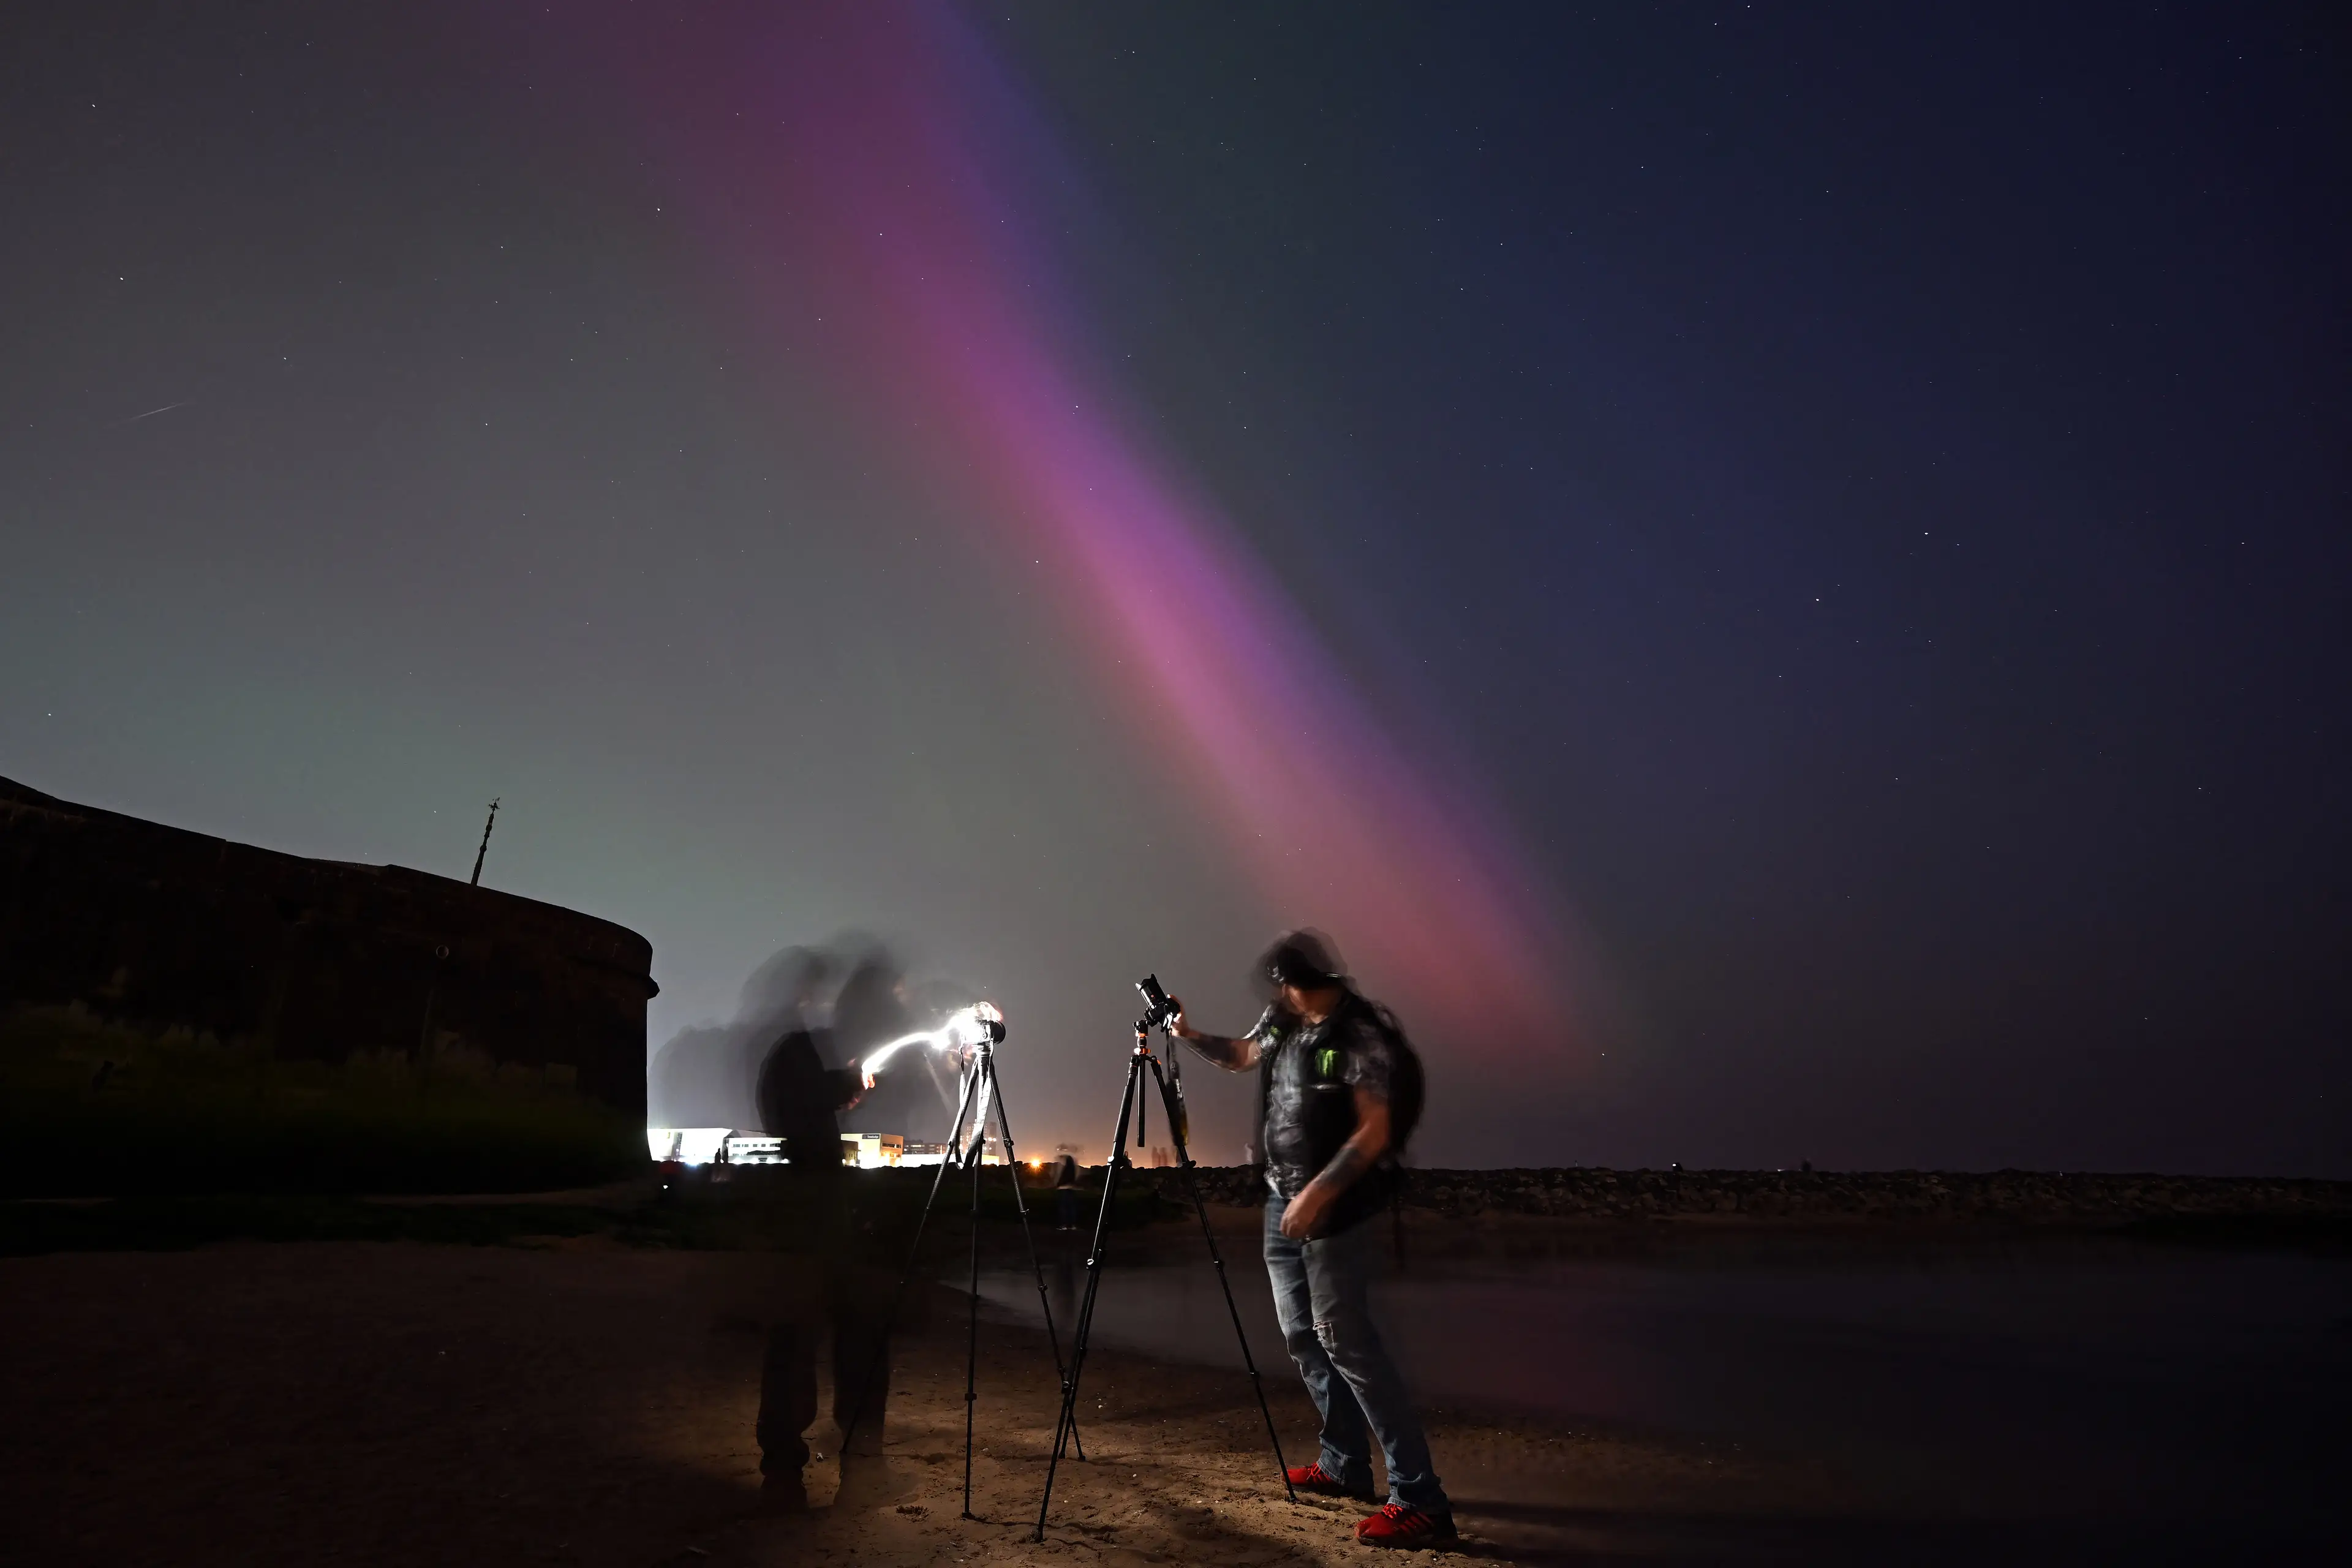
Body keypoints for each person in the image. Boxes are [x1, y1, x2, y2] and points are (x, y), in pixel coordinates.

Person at [1169, 930, 1452, 1548]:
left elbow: (1374, 1130)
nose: (1282, 997)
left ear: (1312, 982)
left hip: (1338, 1207)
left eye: (1290, 987)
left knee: (1346, 1341)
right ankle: (1344, 1463)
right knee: (1302, 1335)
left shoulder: (1360, 1035)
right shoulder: (1284, 1021)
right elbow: (1244, 1055)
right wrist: (1187, 1035)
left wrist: (1319, 1194)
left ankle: (1420, 1498)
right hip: (1283, 1200)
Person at [746, 964, 887, 1513]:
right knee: (841, 1341)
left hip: (805, 1219)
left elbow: (798, 1108)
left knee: (798, 1344)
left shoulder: (792, 1054)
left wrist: (841, 1091)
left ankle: (787, 1476)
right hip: (815, 1221)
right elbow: (802, 1108)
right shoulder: (796, 1052)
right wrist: (844, 1086)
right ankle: (852, 1471)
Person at [1052, 1152, 1082, 1231]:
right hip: (1071, 1188)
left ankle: (1064, 1225)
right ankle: (1072, 1225)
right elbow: (1076, 1175)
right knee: (1071, 1208)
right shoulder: (1072, 1168)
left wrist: (1056, 1184)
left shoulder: (1063, 1168)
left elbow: (1058, 1176)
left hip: (1063, 1189)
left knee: (1063, 1208)